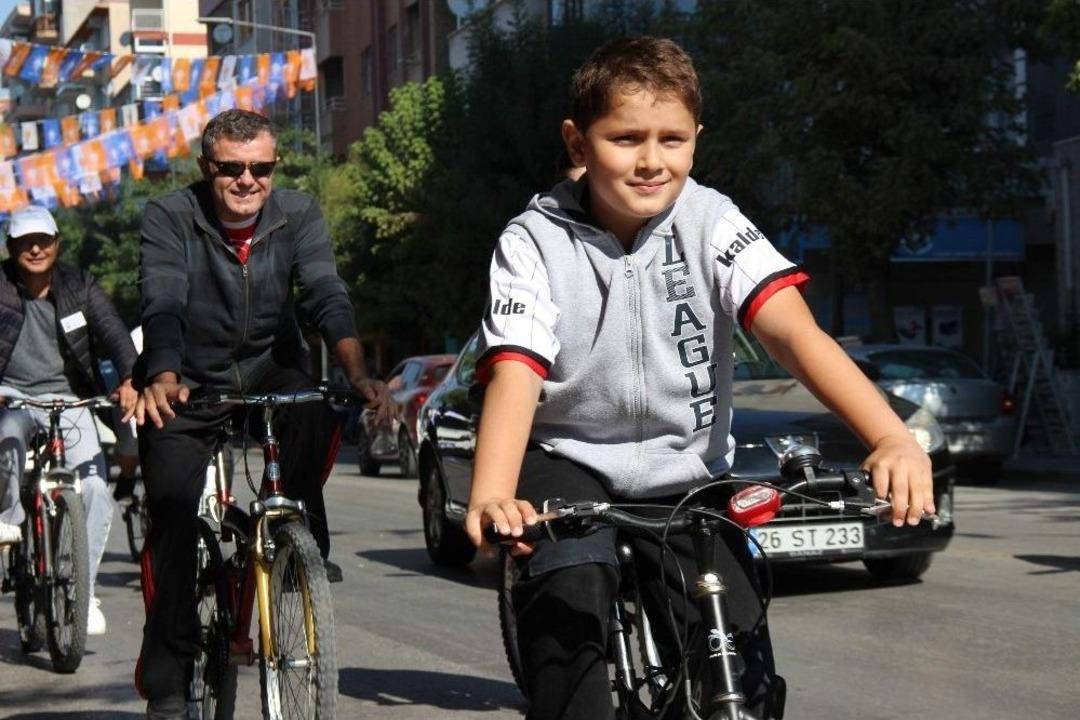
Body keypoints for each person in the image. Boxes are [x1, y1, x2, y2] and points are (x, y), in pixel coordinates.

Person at [464, 37, 935, 720]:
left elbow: (795, 335)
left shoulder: (711, 220)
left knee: (742, 667)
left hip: (687, 467)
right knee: (572, 609)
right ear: (578, 140)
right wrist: (492, 494)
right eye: (625, 138)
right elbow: (515, 369)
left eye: (672, 139)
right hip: (566, 459)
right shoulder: (533, 241)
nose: (652, 161)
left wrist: (891, 437)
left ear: (696, 140)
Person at [130, 109, 392, 718]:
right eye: (231, 168)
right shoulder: (171, 216)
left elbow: (327, 293)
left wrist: (356, 374)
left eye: (261, 167)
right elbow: (162, 298)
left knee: (316, 409)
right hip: (190, 380)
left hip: (270, 367)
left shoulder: (297, 213)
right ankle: (168, 684)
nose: (247, 180)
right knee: (170, 518)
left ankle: (295, 536)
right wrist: (163, 375)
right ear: (207, 167)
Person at [0, 204, 138, 636]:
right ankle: (9, 520)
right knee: (6, 439)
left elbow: (116, 334)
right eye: (25, 241)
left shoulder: (80, 285)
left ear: (57, 244)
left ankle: (83, 588)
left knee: (96, 487)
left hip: (70, 399)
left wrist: (132, 378)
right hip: (12, 397)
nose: (35, 248)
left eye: (43, 240)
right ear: (11, 248)